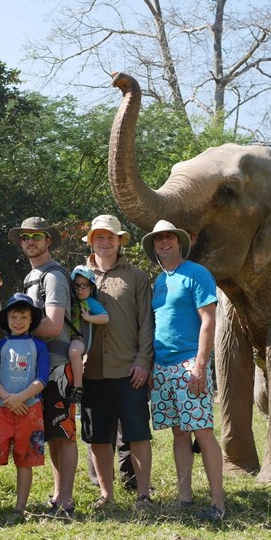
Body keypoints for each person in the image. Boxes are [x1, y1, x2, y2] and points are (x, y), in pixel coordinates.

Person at [141, 219, 226, 521]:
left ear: (179, 243)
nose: (164, 242)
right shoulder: (160, 281)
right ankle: (185, 498)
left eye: (169, 238)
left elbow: (208, 320)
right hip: (162, 367)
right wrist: (151, 365)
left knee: (202, 432)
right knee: (178, 433)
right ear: (154, 246)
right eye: (158, 239)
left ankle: (218, 503)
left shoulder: (197, 274)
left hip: (190, 363)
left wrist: (201, 365)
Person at [81, 214, 154, 511]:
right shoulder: (78, 277)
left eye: (111, 236)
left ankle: (143, 495)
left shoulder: (136, 276)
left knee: (137, 434)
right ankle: (106, 493)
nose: (105, 241)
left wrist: (143, 361)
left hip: (128, 369)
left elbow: (146, 323)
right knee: (97, 436)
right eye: (99, 236)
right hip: (90, 371)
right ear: (91, 241)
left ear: (120, 241)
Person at [7, 217, 77, 516]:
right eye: (25, 237)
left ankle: (67, 499)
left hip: (58, 367)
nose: (30, 242)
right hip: (38, 367)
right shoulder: (31, 277)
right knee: (51, 434)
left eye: (37, 236)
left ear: (48, 240)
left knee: (64, 432)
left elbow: (53, 326)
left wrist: (17, 328)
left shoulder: (52, 277)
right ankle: (59, 495)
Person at [0, 293, 49, 518]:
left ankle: (20, 507)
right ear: (6, 319)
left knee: (25, 461)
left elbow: (42, 378)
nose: (18, 321)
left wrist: (22, 398)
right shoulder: (1, 346)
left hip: (30, 410)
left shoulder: (39, 346)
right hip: (1, 410)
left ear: (31, 319)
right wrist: (9, 399)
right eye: (14, 316)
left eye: (23, 316)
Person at [68, 265, 110, 403]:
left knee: (74, 352)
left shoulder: (90, 302)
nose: (79, 289)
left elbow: (105, 317)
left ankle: (78, 387)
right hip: (65, 338)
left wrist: (88, 318)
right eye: (76, 285)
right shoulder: (69, 300)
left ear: (91, 288)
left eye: (84, 285)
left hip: (80, 339)